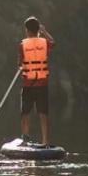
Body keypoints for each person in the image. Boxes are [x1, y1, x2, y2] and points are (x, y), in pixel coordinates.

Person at [18, 16, 55, 147]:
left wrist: (22, 66)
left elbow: (20, 64)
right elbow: (53, 42)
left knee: (25, 113)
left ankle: (25, 140)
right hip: (42, 84)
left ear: (27, 30)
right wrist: (44, 31)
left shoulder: (22, 45)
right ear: (38, 29)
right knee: (43, 113)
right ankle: (45, 141)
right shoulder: (45, 42)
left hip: (28, 84)